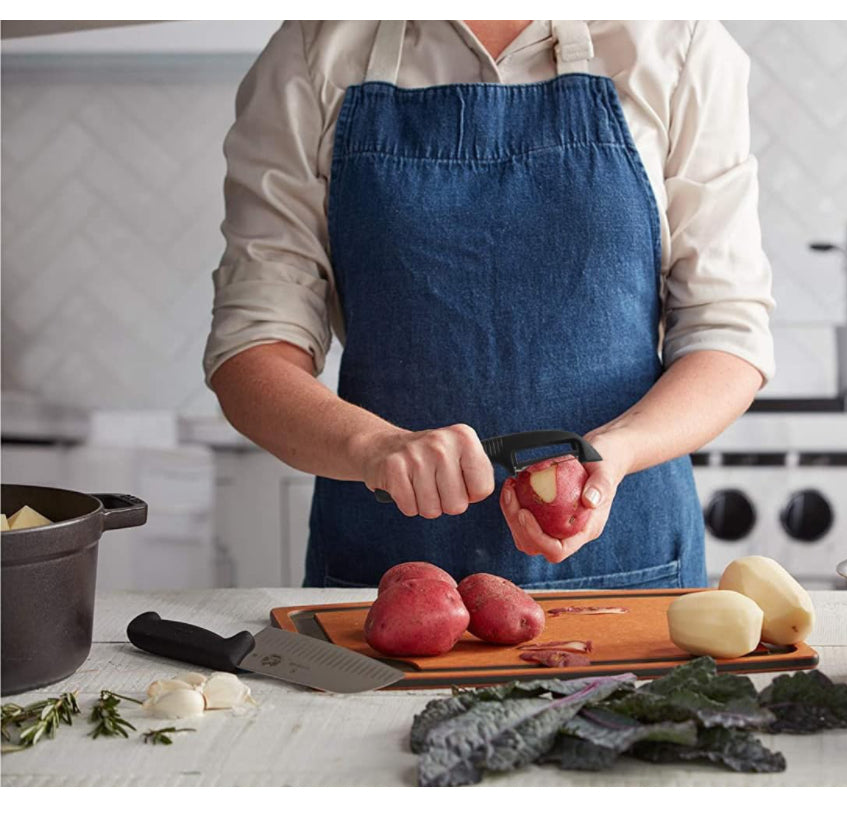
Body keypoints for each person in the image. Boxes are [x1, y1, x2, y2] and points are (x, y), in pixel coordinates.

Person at [204, 21, 775, 590]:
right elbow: (251, 354)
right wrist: (372, 447)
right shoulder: (312, 51)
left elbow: (726, 332)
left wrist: (619, 451)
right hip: (386, 579)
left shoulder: (678, 42)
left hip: (628, 570)